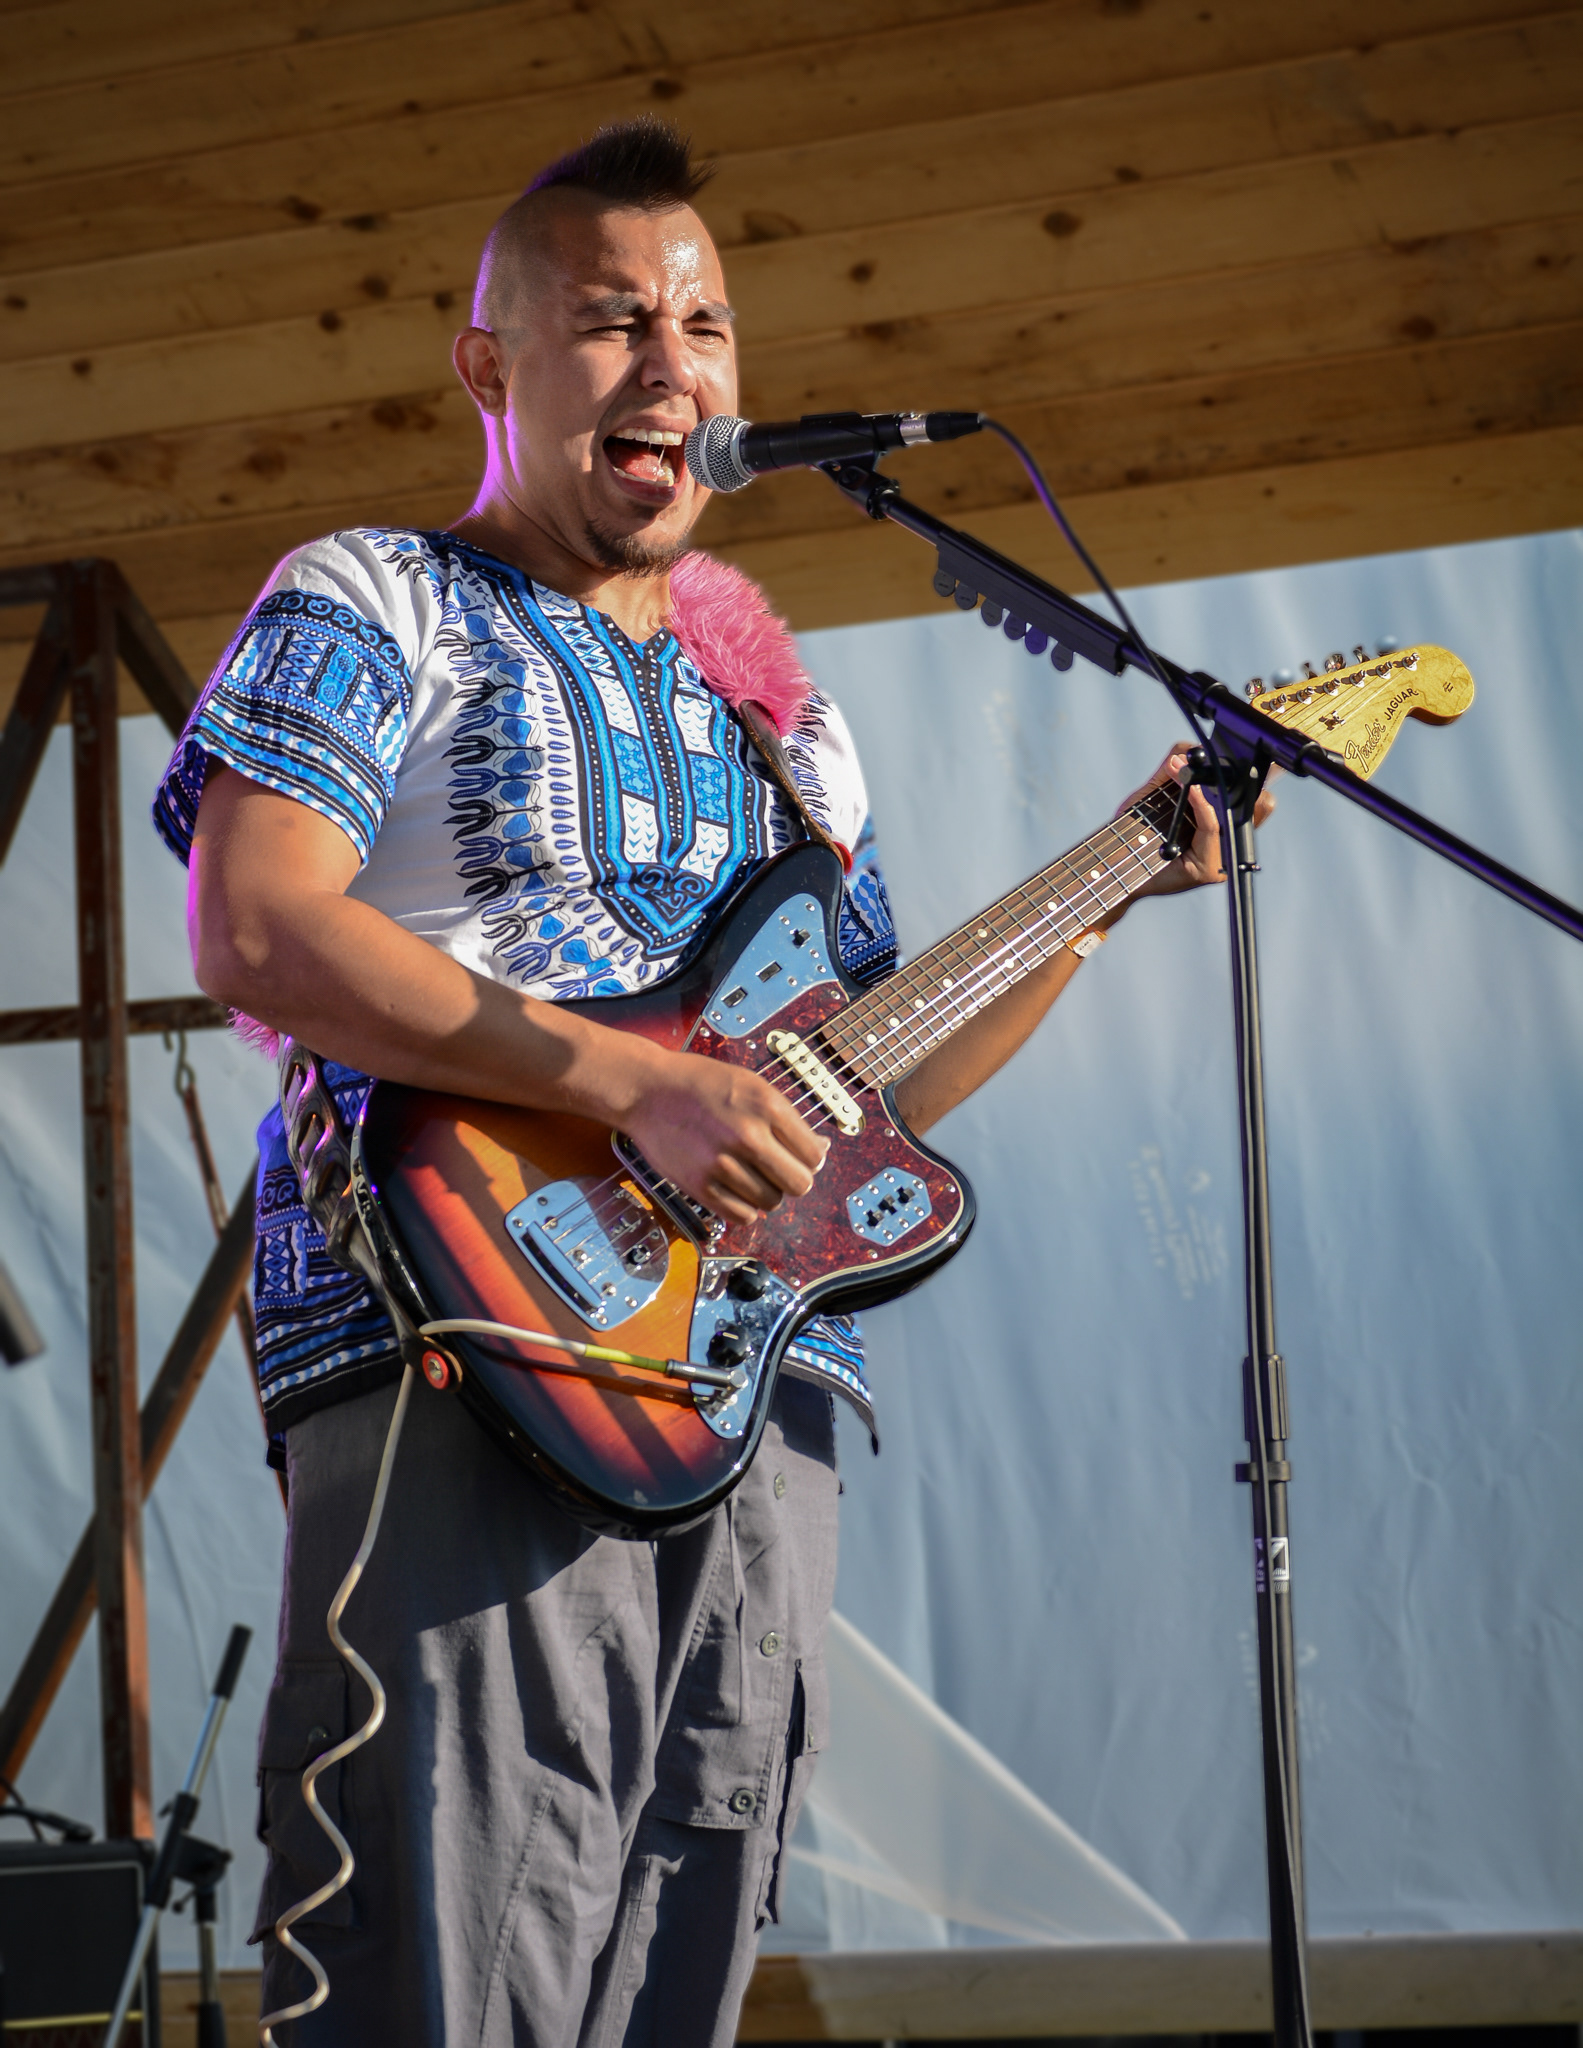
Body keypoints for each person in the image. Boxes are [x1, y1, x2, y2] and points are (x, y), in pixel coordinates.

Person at [155, 117, 1267, 2047]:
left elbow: (868, 1077)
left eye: (706, 324)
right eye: (613, 320)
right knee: (451, 1944)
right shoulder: (372, 596)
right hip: (467, 1339)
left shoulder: (787, 723)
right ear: (491, 364)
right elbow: (255, 928)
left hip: (759, 1389)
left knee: (686, 1941)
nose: (672, 361)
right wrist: (628, 1085)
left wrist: (1110, 893)